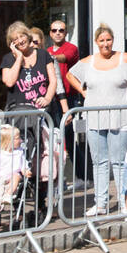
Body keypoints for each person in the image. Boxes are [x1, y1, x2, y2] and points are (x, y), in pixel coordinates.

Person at [67, 24, 127, 217]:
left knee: (120, 162)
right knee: (99, 162)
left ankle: (124, 203)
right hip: (95, 116)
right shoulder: (89, 62)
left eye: (108, 40)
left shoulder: (123, 58)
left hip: (120, 116)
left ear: (113, 40)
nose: (105, 43)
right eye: (102, 40)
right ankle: (101, 203)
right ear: (96, 42)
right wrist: (83, 91)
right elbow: (71, 74)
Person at [0, 21, 55, 212]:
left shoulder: (43, 55)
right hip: (18, 116)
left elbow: (53, 80)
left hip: (39, 115)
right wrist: (17, 58)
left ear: (28, 35)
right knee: (17, 158)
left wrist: (47, 98)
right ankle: (16, 200)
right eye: (15, 39)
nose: (20, 40)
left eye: (22, 36)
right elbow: (8, 81)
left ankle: (40, 202)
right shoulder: (8, 59)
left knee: (37, 158)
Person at [47, 19, 86, 182]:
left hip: (67, 99)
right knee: (53, 139)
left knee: (68, 138)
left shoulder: (71, 48)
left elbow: (63, 58)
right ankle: (56, 178)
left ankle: (82, 176)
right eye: (54, 30)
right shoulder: (47, 50)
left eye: (61, 30)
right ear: (50, 33)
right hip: (51, 99)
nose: (57, 33)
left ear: (66, 32)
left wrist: (46, 57)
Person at [0, 124, 30, 222]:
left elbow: (23, 164)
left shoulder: (19, 152)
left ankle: (8, 195)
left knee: (16, 176)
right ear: (9, 141)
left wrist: (25, 170)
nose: (21, 140)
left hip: (12, 180)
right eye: (17, 138)